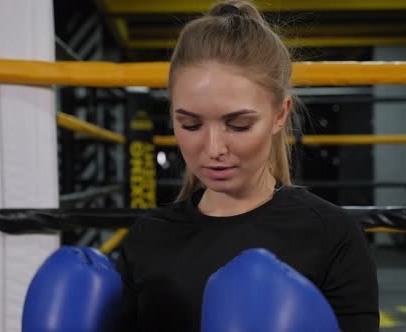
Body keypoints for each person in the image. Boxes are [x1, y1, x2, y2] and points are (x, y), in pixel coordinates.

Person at [115, 1, 379, 331]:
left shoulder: (332, 236)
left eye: (238, 125)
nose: (213, 149)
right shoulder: (147, 238)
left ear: (280, 115)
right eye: (191, 125)